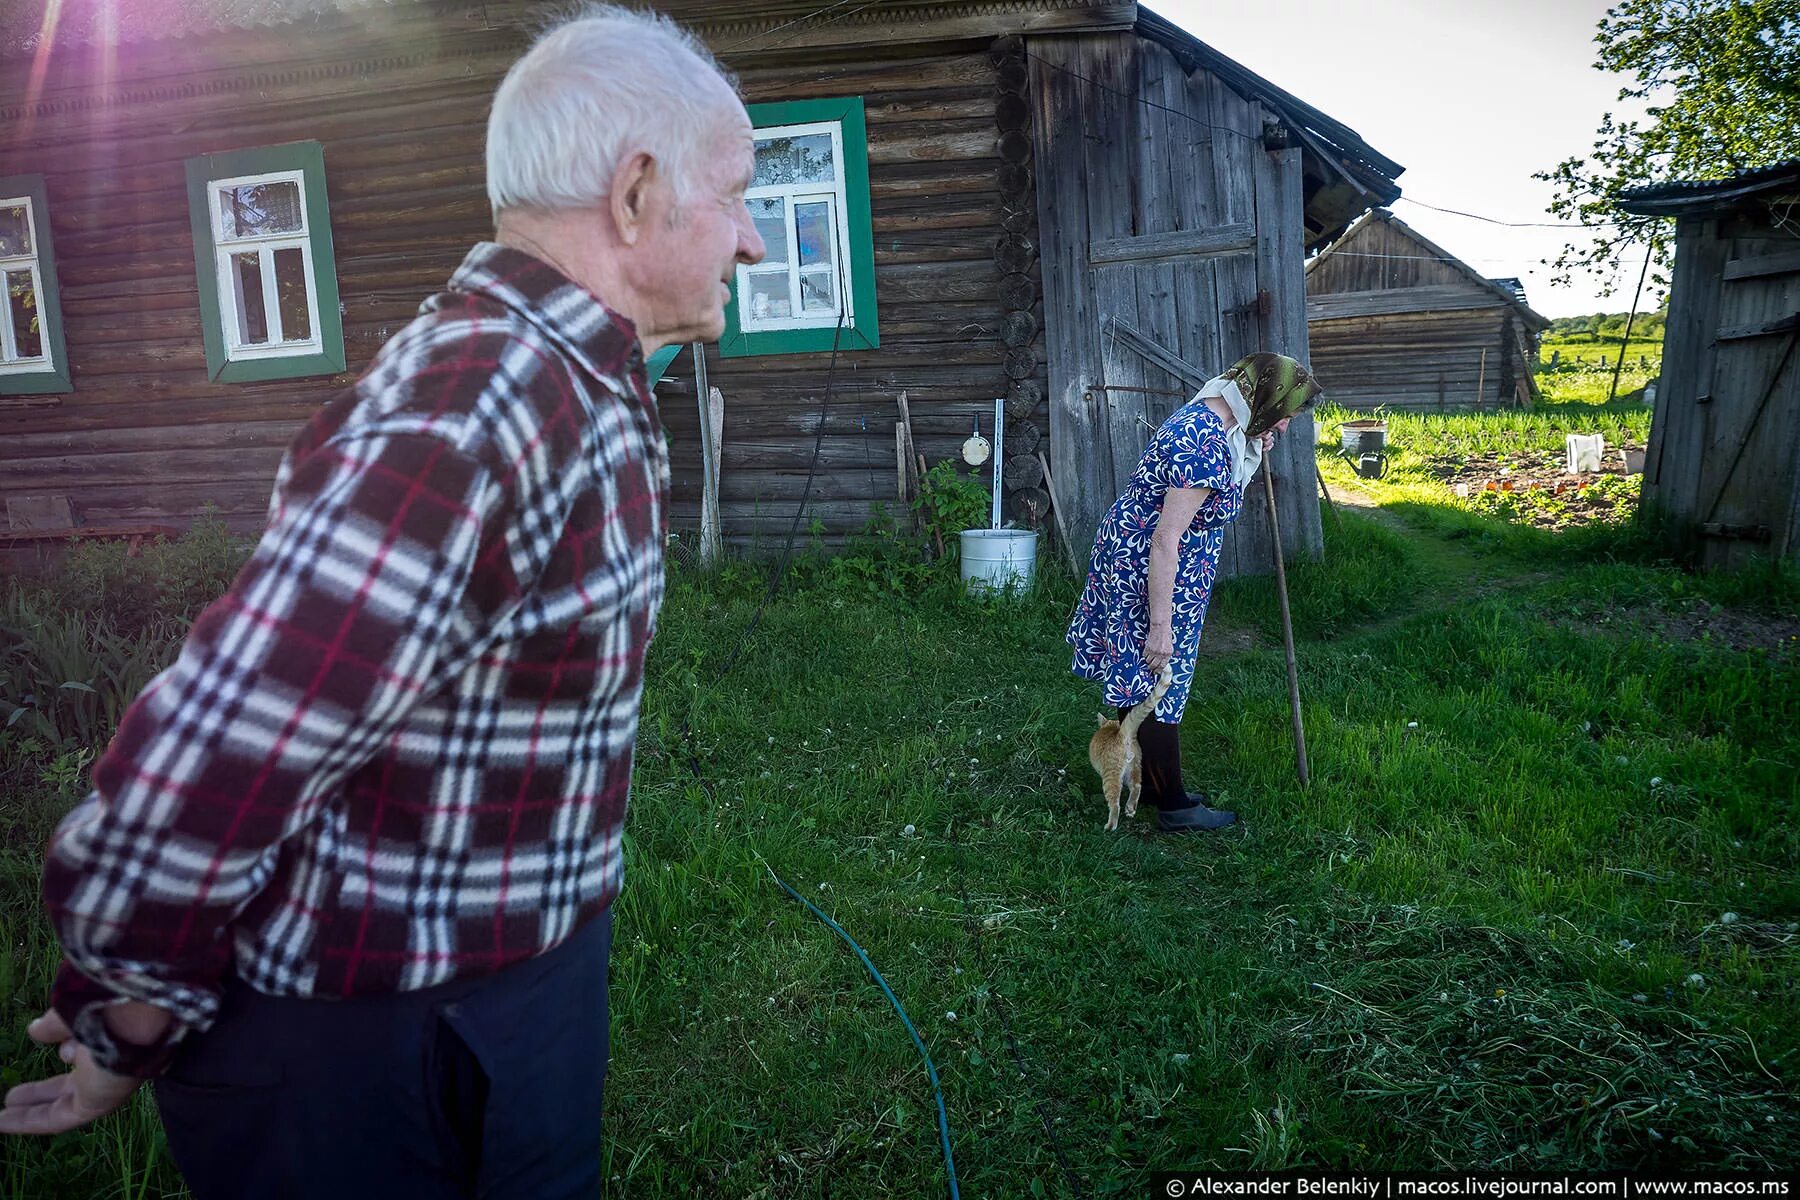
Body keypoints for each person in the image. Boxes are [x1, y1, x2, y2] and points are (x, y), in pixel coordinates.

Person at [0, 8, 764, 1197]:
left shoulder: (571, 371)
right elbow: (229, 738)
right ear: (635, 196)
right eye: (738, 194)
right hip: (371, 1058)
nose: (754, 241)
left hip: (506, 997)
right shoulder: (480, 401)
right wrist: (128, 1007)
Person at [1066, 354, 1322, 832]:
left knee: (1143, 678)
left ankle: (1147, 782)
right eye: (1286, 412)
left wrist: (1253, 446)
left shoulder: (1212, 421)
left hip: (1143, 554)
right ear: (1265, 398)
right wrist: (1160, 627)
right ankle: (1174, 806)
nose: (1286, 425)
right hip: (1151, 566)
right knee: (1159, 674)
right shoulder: (1202, 441)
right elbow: (1167, 538)